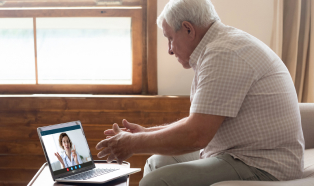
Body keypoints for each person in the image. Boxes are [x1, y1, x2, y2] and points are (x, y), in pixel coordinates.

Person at [95, 0, 305, 185]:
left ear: (188, 29)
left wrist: (132, 143)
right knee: (156, 162)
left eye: (170, 38)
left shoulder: (223, 54)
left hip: (263, 164)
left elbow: (196, 135)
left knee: (155, 181)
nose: (169, 49)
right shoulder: (220, 46)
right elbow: (198, 121)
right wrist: (145, 133)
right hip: (239, 152)